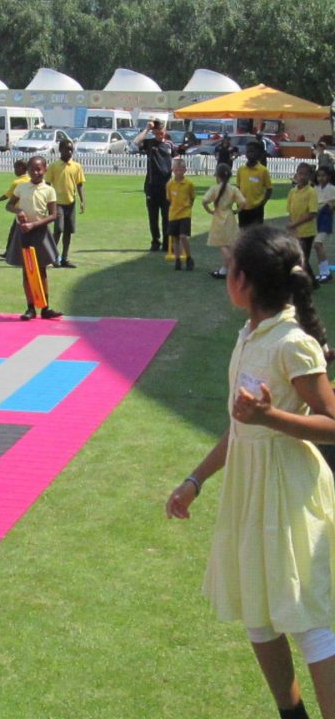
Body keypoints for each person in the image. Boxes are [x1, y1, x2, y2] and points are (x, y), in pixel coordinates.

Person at [166, 225, 335, 719]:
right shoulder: (249, 335)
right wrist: (195, 480)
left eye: (230, 266)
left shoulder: (291, 343)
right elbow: (241, 428)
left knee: (308, 618)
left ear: (245, 281)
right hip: (249, 491)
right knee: (258, 616)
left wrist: (270, 417)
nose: (226, 274)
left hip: (289, 493)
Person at [5, 155, 62, 321]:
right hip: (23, 232)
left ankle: (45, 307)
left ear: (45, 169)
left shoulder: (49, 190)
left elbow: (53, 215)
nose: (35, 172)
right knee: (27, 270)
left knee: (42, 270)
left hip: (40, 232)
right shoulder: (21, 188)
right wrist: (19, 211)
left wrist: (34, 225)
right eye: (32, 169)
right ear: (27, 170)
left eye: (39, 169)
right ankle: (30, 308)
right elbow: (9, 205)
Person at [134, 118, 174, 252]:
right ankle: (155, 241)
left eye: (161, 132)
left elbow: (177, 160)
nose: (159, 135)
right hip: (152, 187)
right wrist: (147, 129)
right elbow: (136, 142)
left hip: (167, 188)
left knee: (167, 217)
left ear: (165, 131)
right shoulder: (150, 144)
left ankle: (167, 243)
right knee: (153, 217)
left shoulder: (169, 145)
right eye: (156, 133)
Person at [45, 139, 86, 268]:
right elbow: (47, 184)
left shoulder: (76, 166)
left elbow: (79, 184)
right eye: (66, 149)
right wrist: (47, 202)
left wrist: (82, 201)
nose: (69, 152)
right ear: (60, 150)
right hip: (57, 203)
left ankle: (64, 258)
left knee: (68, 231)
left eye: (71, 149)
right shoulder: (54, 166)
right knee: (58, 229)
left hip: (71, 203)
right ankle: (52, 257)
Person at [202, 162, 247, 279]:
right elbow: (243, 202)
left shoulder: (214, 189)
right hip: (230, 217)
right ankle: (225, 269)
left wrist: (209, 211)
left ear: (217, 176)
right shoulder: (233, 189)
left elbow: (204, 201)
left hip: (218, 218)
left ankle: (232, 267)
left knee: (222, 245)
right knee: (230, 244)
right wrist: (237, 210)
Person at [287, 162, 318, 285]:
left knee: (302, 258)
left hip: (307, 232)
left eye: (305, 174)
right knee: (299, 257)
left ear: (310, 176)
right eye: (300, 174)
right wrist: (292, 226)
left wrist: (295, 224)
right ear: (296, 175)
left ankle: (310, 282)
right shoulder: (292, 192)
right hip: (296, 231)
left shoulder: (311, 192)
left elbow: (312, 213)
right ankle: (310, 281)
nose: (302, 177)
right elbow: (290, 211)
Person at [0, 159, 29, 259]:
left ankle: (9, 253)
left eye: (15, 168)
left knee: (14, 233)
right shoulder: (30, 180)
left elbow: (8, 195)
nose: (14, 170)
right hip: (30, 210)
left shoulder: (17, 182)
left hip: (19, 212)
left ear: (21, 168)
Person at [166, 158, 195, 271]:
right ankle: (177, 260)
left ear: (185, 170)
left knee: (183, 236)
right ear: (172, 170)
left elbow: (192, 198)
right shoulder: (170, 184)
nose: (178, 172)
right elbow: (169, 199)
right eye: (176, 170)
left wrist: (187, 207)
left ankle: (188, 258)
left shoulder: (189, 184)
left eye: (181, 169)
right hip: (173, 214)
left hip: (185, 213)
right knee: (175, 238)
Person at [236, 140, 272, 227]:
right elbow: (238, 187)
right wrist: (238, 202)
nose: (249, 154)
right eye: (248, 151)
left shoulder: (263, 170)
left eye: (252, 151)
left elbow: (269, 189)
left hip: (257, 208)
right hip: (243, 207)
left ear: (258, 154)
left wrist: (262, 203)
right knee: (243, 231)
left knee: (256, 232)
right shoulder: (241, 170)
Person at [313, 165, 335, 283]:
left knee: (318, 244)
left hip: (325, 218)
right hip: (315, 218)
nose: (321, 178)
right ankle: (324, 273)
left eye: (323, 176)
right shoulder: (315, 188)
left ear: (329, 176)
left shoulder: (332, 188)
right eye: (319, 176)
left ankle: (325, 273)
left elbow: (331, 205)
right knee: (317, 246)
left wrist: (329, 206)